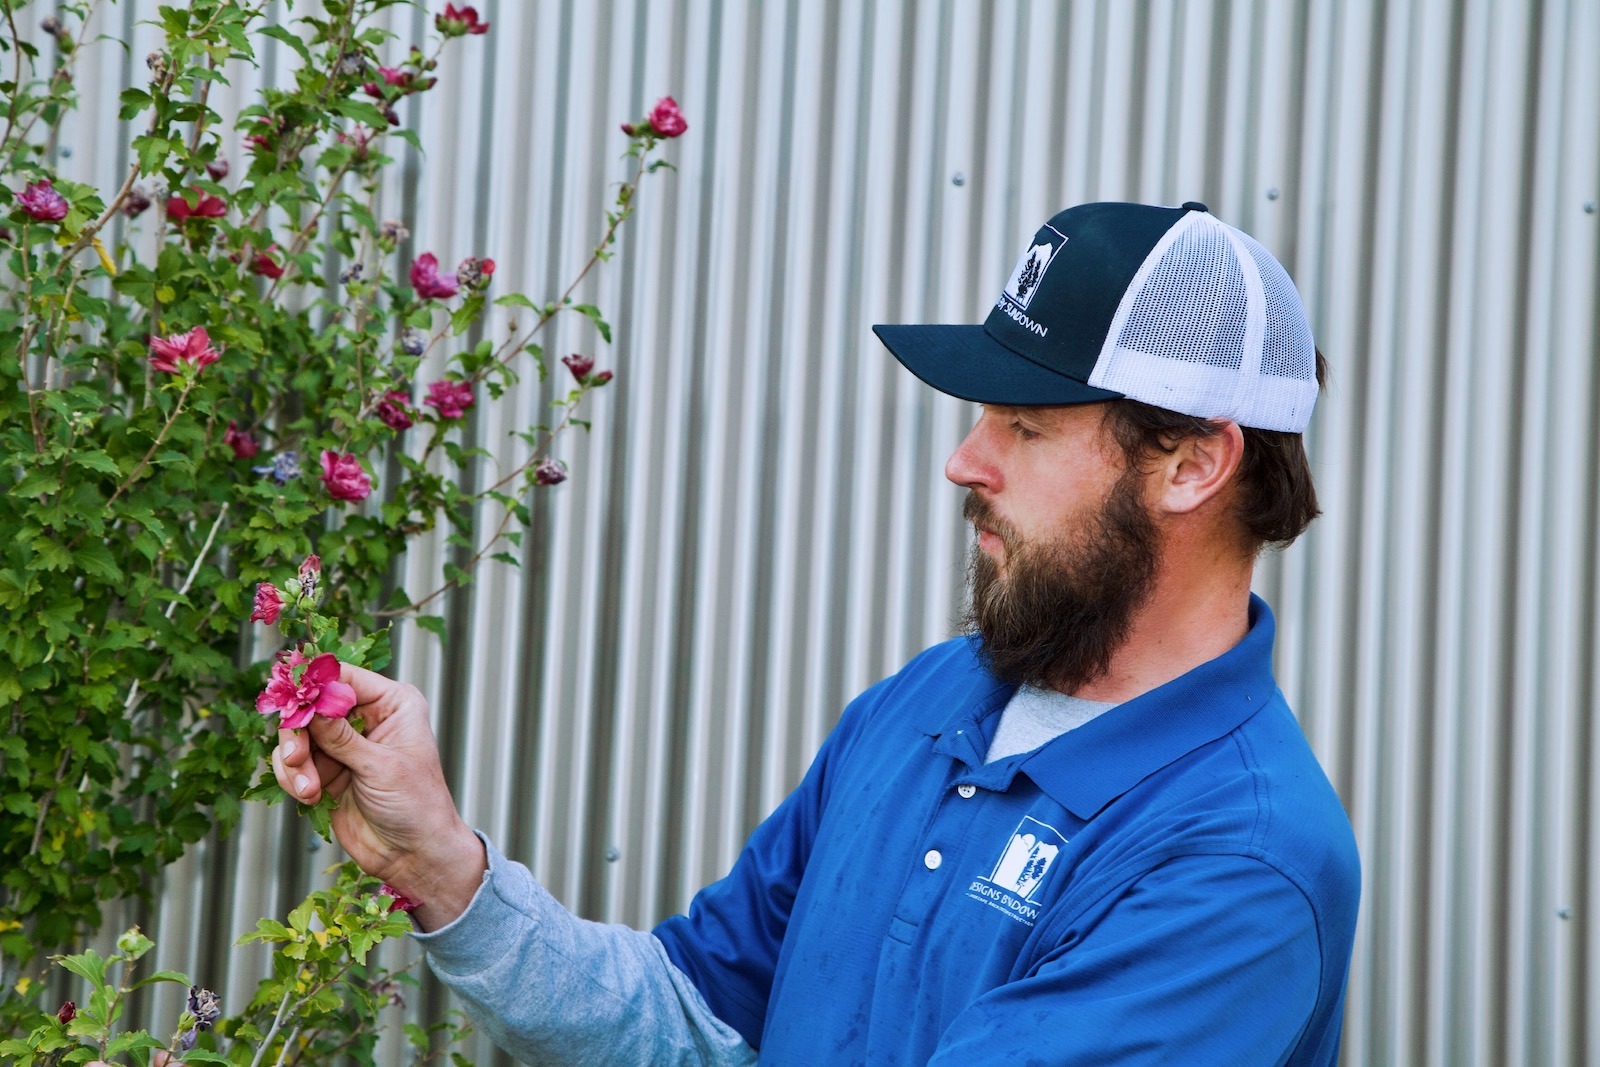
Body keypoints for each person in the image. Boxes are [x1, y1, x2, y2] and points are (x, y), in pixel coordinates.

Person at [272, 200, 1360, 1065]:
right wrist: (442, 866)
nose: (964, 463)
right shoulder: (935, 702)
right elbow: (695, 1023)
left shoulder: (1236, 859)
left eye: (1024, 427)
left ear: (1191, 463)